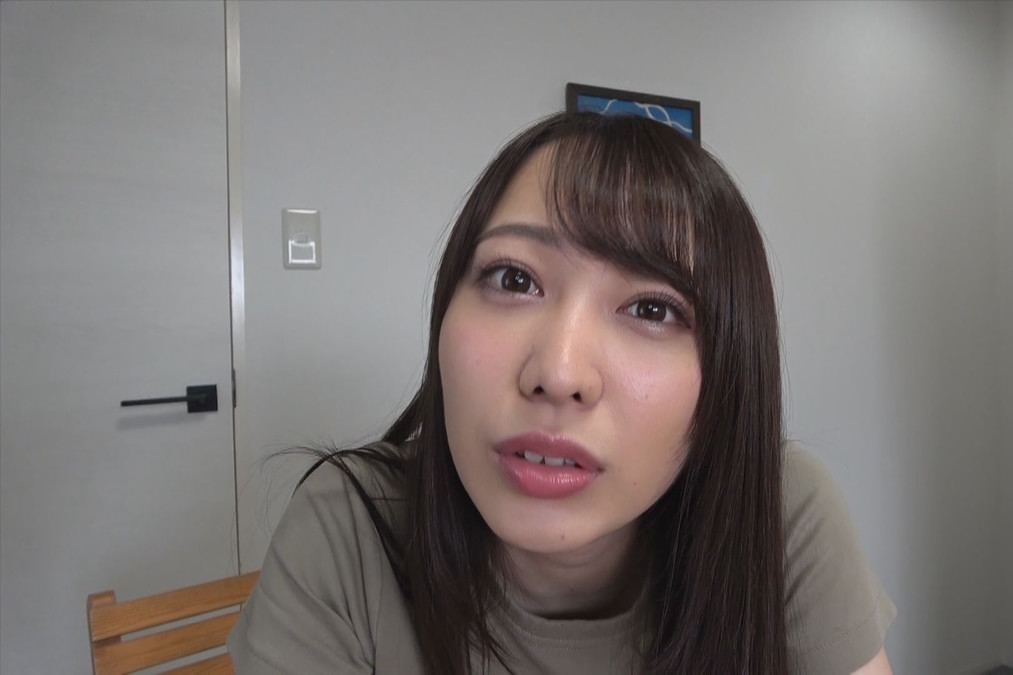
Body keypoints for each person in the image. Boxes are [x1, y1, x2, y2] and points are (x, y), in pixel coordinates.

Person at [227, 112, 896, 674]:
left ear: (727, 373)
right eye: (514, 279)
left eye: (652, 309)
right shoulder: (349, 530)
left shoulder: (778, 513)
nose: (560, 372)